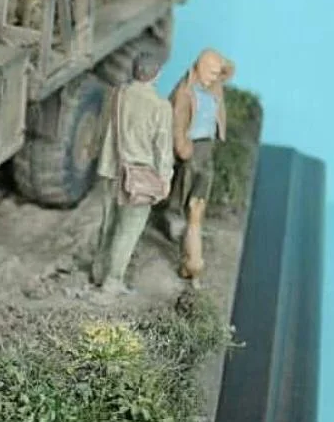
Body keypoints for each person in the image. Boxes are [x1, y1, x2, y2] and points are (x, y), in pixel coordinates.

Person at [91, 51, 174, 295]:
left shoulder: (117, 94)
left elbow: (102, 128)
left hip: (111, 168)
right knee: (128, 230)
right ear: (156, 74)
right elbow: (163, 148)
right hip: (140, 176)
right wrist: (165, 178)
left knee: (108, 222)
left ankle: (98, 271)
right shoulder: (160, 106)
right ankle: (112, 281)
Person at [158, 48, 236, 280]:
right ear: (199, 69)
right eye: (211, 72)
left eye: (217, 73)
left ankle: (196, 212)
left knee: (203, 179)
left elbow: (229, 71)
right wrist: (182, 147)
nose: (215, 77)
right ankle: (175, 217)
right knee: (185, 181)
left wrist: (220, 67)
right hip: (190, 144)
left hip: (206, 142)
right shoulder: (185, 92)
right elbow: (177, 122)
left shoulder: (215, 85)